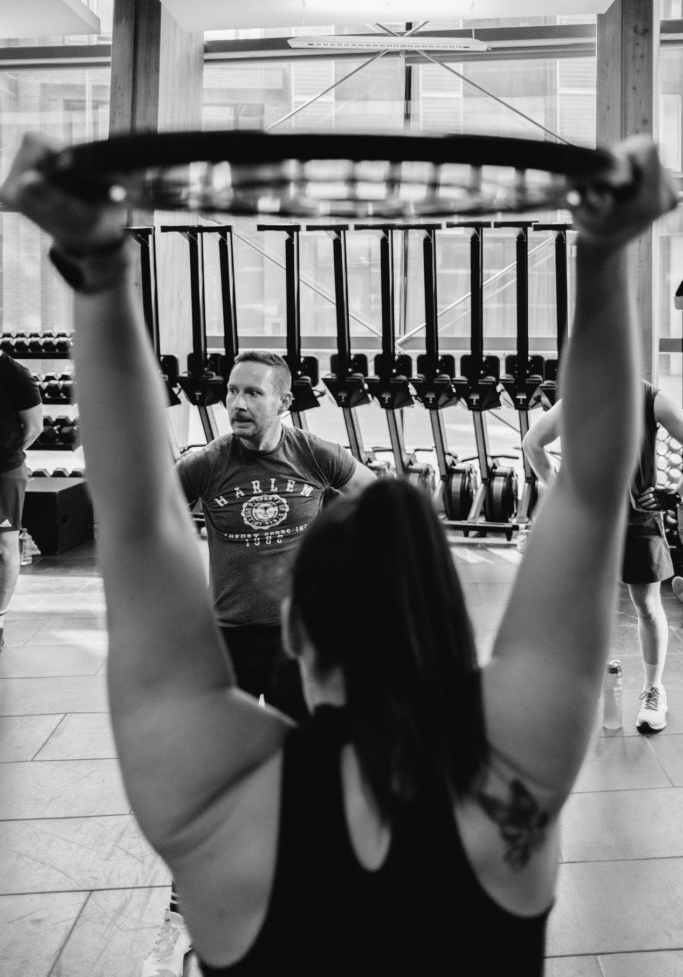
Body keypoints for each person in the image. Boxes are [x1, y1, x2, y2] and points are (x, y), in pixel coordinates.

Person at [0, 131, 677, 976]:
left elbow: (137, 519)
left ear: (300, 632)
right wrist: (609, 251)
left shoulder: (217, 798)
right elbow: (590, 490)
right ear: (447, 622)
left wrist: (96, 263)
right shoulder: (511, 777)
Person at [147, 349, 374, 976]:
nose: (238, 404)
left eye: (252, 393)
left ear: (283, 400)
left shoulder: (315, 453)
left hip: (303, 644)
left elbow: (380, 501)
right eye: (232, 392)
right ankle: (186, 908)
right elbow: (145, 517)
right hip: (232, 639)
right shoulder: (209, 462)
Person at [523, 380, 683, 733]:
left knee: (646, 603)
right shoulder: (581, 395)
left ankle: (654, 689)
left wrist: (674, 495)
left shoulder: (651, 399)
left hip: (637, 517)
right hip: (587, 518)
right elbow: (533, 442)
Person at [0, 350, 43, 651]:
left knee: (4, 548)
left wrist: (7, 453)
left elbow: (34, 427)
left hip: (3, 475)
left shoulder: (15, 374)